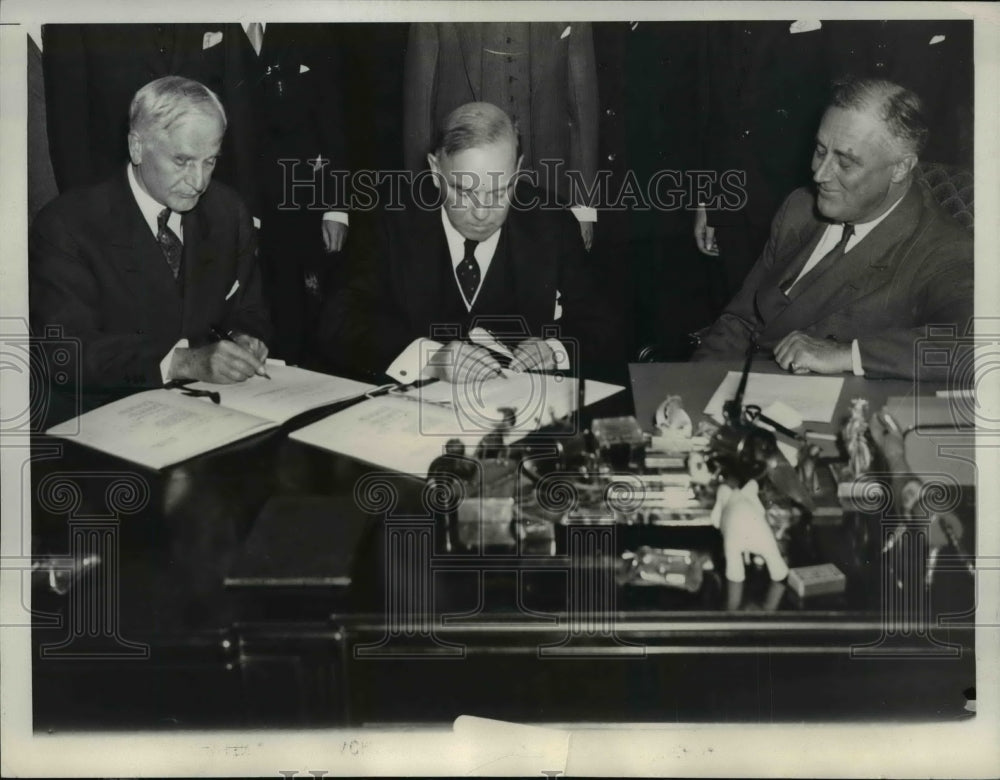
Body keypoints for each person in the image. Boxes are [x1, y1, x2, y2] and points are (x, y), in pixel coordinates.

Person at [692, 77, 973, 381]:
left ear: (901, 167)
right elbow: (741, 320)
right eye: (820, 150)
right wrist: (694, 386)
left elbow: (978, 342)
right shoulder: (800, 208)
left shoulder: (941, 248)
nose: (820, 174)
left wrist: (848, 354)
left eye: (846, 163)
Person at [315, 101, 614, 385]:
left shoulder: (551, 220)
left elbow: (601, 321)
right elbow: (338, 321)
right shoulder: (388, 218)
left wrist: (554, 350)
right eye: (463, 192)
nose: (482, 213)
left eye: (499, 192)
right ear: (435, 171)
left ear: (518, 169)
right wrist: (429, 359)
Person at [30, 76, 271, 421]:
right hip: (104, 420)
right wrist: (181, 362)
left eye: (210, 161)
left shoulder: (228, 212)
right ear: (137, 147)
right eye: (182, 161)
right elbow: (65, 353)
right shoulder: (67, 225)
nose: (199, 181)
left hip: (214, 414)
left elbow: (250, 310)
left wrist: (246, 338)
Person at [403, 23, 599, 251]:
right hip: (465, 200)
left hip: (549, 190)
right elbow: (420, 109)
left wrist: (584, 207)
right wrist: (419, 210)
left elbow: (582, 109)